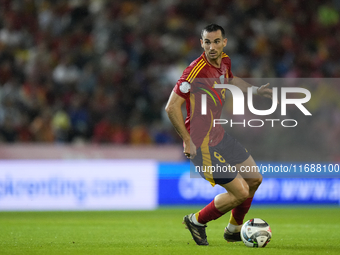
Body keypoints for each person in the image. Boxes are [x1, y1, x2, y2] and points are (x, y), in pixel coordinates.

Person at [165, 24, 273, 246]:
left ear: (224, 42)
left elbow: (231, 80)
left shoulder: (225, 61)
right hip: (200, 144)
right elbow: (171, 107)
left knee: (254, 179)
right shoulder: (194, 71)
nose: (211, 47)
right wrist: (187, 140)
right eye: (207, 42)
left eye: (216, 41)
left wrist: (255, 90)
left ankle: (234, 230)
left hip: (219, 136)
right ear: (201, 43)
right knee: (241, 191)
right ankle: (196, 220)